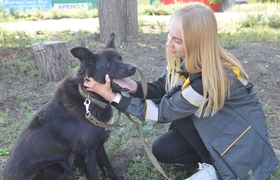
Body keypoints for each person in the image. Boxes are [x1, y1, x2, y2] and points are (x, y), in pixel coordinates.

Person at [84, 2, 278, 179]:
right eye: (169, 35)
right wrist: (131, 87)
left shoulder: (211, 78)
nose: (169, 44)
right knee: (163, 149)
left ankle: (216, 166)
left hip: (239, 141)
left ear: (197, 42)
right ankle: (212, 156)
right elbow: (163, 88)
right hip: (218, 128)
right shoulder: (186, 60)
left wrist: (112, 97)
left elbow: (163, 111)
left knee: (179, 107)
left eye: (177, 40)